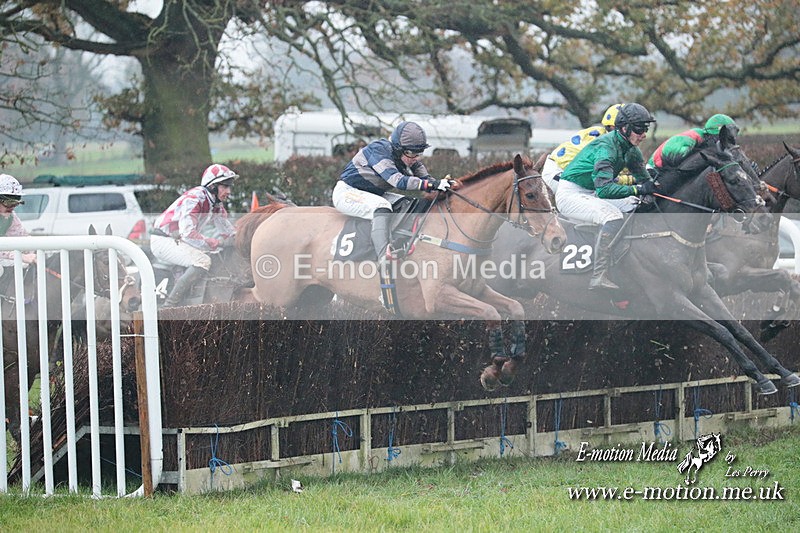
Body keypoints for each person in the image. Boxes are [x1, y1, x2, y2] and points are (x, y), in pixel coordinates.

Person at [555, 102, 657, 291]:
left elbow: (645, 180)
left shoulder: (632, 150)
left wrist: (655, 187)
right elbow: (605, 190)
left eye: (646, 129)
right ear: (624, 128)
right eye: (639, 129)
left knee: (637, 204)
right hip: (571, 194)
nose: (643, 134)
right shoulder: (606, 147)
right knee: (613, 216)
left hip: (592, 192)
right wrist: (638, 189)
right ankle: (599, 275)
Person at [333, 121, 455, 264]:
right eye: (411, 153)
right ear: (398, 149)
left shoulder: (407, 157)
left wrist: (442, 185)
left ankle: (400, 243)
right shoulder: (378, 150)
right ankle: (383, 256)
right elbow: (398, 181)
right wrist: (431, 184)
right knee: (381, 207)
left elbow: (426, 180)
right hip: (347, 192)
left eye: (418, 153)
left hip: (372, 194)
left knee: (407, 203)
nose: (415, 158)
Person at [151, 163, 238, 307]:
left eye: (230, 187)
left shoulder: (215, 204)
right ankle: (169, 306)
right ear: (212, 186)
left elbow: (228, 232)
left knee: (213, 256)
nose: (229, 191)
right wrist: (213, 242)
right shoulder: (195, 199)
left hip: (177, 240)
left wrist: (243, 238)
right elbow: (188, 233)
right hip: (163, 240)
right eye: (225, 186)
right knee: (202, 261)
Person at [647, 113, 759, 183]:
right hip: (654, 173)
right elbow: (681, 165)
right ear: (714, 136)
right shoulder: (691, 138)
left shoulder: (706, 141)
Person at [541, 104, 628, 192]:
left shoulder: (615, 143)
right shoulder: (599, 139)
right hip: (558, 172)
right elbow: (601, 175)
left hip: (569, 173)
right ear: (612, 127)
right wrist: (627, 180)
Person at [0, 173, 36, 270]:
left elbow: (23, 237)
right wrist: (21, 256)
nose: (12, 208)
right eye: (8, 203)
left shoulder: (11, 217)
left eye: (16, 203)